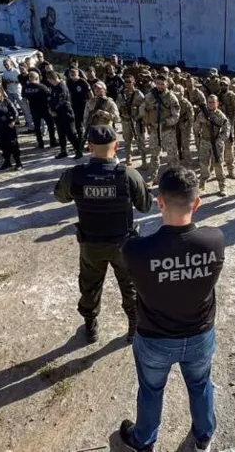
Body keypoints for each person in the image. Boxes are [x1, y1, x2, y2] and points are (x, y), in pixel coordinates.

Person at [119, 166, 224, 452]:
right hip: (200, 335)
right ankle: (203, 437)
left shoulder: (136, 250)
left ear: (159, 202)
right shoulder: (214, 240)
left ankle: (143, 441)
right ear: (197, 202)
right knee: (201, 385)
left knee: (152, 391)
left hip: (155, 339)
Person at [53, 125, 152, 343]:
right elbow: (145, 206)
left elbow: (60, 196)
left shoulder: (76, 174)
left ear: (89, 147)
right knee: (130, 285)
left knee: (90, 285)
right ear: (117, 147)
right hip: (123, 244)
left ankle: (91, 327)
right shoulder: (129, 175)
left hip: (91, 244)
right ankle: (134, 325)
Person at [140, 75, 181, 185]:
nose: (160, 86)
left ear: (167, 84)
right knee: (154, 155)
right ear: (154, 83)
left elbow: (176, 116)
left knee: (172, 156)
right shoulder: (149, 96)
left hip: (167, 131)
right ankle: (153, 177)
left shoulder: (171, 97)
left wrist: (165, 122)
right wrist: (148, 108)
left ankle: (175, 178)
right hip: (153, 130)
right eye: (157, 83)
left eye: (162, 84)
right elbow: (141, 110)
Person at [195, 95, 230, 196]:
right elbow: (196, 127)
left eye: (213, 102)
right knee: (203, 163)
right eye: (209, 102)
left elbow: (226, 130)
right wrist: (198, 138)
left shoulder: (221, 116)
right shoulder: (202, 114)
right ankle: (202, 182)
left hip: (216, 144)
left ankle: (222, 185)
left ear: (217, 103)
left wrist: (220, 140)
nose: (210, 104)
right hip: (205, 142)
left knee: (218, 164)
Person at [0, 84, 23, 171]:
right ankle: (7, 162)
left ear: (0, 93)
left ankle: (18, 163)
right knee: (2, 145)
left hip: (8, 127)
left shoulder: (6, 101)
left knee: (13, 145)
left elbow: (15, 112)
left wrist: (13, 121)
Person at [48, 71, 83, 159]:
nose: (49, 81)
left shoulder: (61, 87)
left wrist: (53, 109)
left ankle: (78, 150)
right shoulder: (54, 87)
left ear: (53, 79)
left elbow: (61, 100)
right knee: (61, 133)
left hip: (65, 113)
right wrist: (51, 108)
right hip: (58, 114)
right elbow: (51, 99)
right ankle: (63, 150)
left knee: (71, 133)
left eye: (50, 79)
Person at [117, 75, 147, 167]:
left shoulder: (138, 94)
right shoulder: (121, 94)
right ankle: (128, 158)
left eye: (129, 81)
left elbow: (143, 107)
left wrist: (138, 117)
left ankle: (144, 161)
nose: (127, 83)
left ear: (133, 82)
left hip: (136, 121)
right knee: (127, 141)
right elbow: (118, 106)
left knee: (140, 141)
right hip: (125, 120)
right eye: (126, 81)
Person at [22, 70, 56, 149]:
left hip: (34, 109)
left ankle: (40, 143)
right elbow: (49, 97)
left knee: (37, 127)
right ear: (37, 77)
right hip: (44, 109)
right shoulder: (42, 86)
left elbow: (24, 100)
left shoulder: (25, 87)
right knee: (50, 125)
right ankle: (52, 141)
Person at [217, 77, 235, 179]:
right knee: (217, 149)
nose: (223, 87)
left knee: (229, 149)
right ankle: (217, 170)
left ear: (229, 85)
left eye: (225, 85)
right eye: (221, 85)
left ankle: (230, 171)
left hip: (228, 124)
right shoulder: (216, 96)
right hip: (218, 125)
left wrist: (230, 124)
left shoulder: (233, 97)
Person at [2, 58, 33, 134]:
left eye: (7, 64)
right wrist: (6, 82)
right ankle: (16, 121)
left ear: (11, 64)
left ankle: (29, 123)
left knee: (24, 107)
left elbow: (21, 79)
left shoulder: (16, 70)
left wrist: (13, 81)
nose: (6, 66)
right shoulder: (4, 72)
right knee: (12, 107)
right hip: (9, 91)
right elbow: (4, 81)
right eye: (5, 64)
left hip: (17, 91)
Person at [67, 69, 93, 141]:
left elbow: (90, 93)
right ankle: (80, 138)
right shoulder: (69, 82)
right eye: (71, 73)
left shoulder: (83, 82)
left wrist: (92, 103)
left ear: (78, 73)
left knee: (86, 121)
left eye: (74, 73)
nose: (72, 74)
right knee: (77, 122)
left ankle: (90, 137)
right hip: (74, 105)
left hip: (84, 104)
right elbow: (69, 93)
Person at [173, 85, 195, 167]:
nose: (176, 95)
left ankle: (188, 162)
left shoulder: (187, 104)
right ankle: (177, 162)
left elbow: (191, 118)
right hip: (175, 126)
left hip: (185, 128)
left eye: (178, 94)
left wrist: (188, 129)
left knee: (185, 146)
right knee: (175, 145)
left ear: (182, 93)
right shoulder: (173, 102)